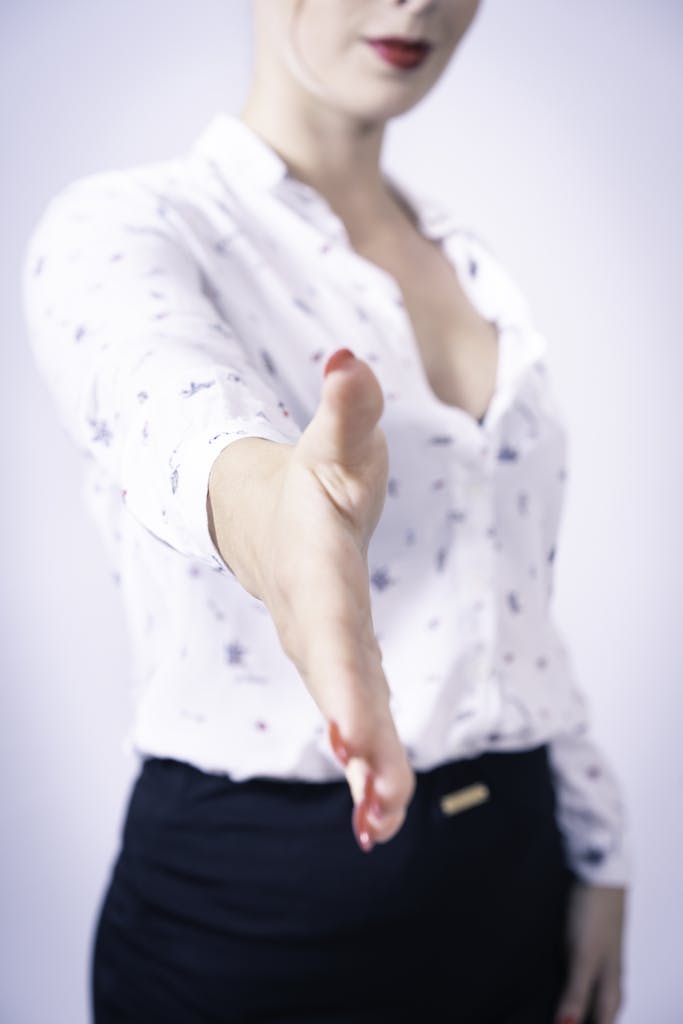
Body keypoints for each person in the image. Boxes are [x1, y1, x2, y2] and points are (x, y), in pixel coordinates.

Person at [21, 0, 629, 1021]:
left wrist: (596, 844)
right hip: (260, 911)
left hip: (518, 867)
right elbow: (165, 394)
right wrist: (272, 515)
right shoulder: (127, 229)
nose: (417, 2)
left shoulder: (467, 261)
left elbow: (518, 609)